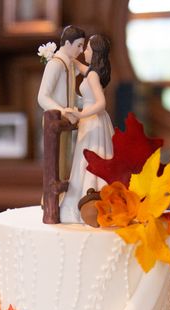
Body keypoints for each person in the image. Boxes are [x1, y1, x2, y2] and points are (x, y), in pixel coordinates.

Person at [59, 34, 114, 224]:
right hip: (94, 121)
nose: (85, 52)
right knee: (90, 158)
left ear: (96, 52)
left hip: (92, 121)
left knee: (88, 159)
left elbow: (101, 103)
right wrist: (67, 57)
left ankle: (91, 202)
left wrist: (80, 114)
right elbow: (82, 69)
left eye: (88, 49)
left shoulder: (92, 76)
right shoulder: (92, 72)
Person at [38, 25, 86, 183]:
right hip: (55, 122)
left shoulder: (70, 66)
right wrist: (62, 111)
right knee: (55, 167)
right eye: (79, 45)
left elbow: (69, 95)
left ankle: (62, 200)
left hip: (66, 121)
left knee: (65, 165)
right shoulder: (55, 64)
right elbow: (42, 97)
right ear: (67, 44)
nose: (81, 50)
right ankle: (50, 201)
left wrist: (86, 102)